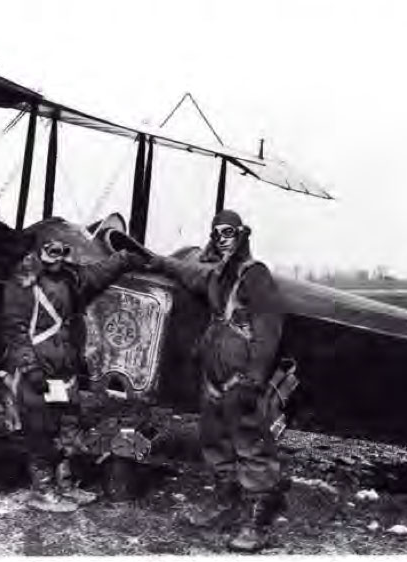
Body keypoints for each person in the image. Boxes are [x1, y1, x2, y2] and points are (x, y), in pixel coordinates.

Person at [148, 209, 287, 552]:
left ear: (242, 235)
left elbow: (268, 330)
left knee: (251, 445)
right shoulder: (216, 276)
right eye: (217, 233)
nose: (222, 239)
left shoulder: (256, 275)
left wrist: (254, 379)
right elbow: (184, 270)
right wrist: (152, 259)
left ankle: (256, 525)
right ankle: (226, 503)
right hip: (213, 377)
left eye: (229, 233)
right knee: (215, 442)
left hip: (241, 379)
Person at [1, 235, 147, 512]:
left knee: (67, 428)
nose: (58, 256)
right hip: (37, 371)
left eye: (63, 251)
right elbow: (15, 331)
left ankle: (64, 484)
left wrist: (124, 259)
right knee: (41, 432)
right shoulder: (21, 284)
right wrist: (30, 368)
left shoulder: (70, 277)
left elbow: (97, 274)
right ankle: (43, 490)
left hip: (64, 367)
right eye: (51, 250)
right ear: (37, 251)